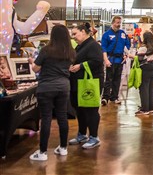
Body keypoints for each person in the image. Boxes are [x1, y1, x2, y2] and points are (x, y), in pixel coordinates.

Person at [28, 24, 75, 161]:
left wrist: (31, 61)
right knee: (62, 117)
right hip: (64, 87)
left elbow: (36, 69)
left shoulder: (46, 50)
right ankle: (63, 148)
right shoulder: (70, 51)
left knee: (47, 118)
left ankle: (42, 152)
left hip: (46, 87)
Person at [69, 23, 104, 150]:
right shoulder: (80, 46)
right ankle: (82, 134)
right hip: (78, 82)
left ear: (83, 32)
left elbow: (97, 61)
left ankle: (94, 137)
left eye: (75, 34)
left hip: (90, 83)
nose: (73, 37)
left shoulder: (93, 45)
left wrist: (81, 66)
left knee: (90, 110)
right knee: (80, 109)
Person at [100, 16, 130, 105]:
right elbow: (103, 48)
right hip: (110, 59)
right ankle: (105, 97)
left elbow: (127, 45)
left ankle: (115, 97)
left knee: (117, 79)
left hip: (120, 60)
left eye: (119, 23)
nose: (118, 25)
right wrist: (106, 60)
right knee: (108, 79)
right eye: (117, 22)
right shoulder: (106, 34)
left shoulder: (123, 34)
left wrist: (126, 54)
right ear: (112, 23)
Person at [136, 31, 153, 115]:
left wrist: (133, 56)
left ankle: (144, 109)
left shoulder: (143, 48)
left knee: (144, 88)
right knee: (150, 88)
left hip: (146, 67)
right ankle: (150, 108)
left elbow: (139, 59)